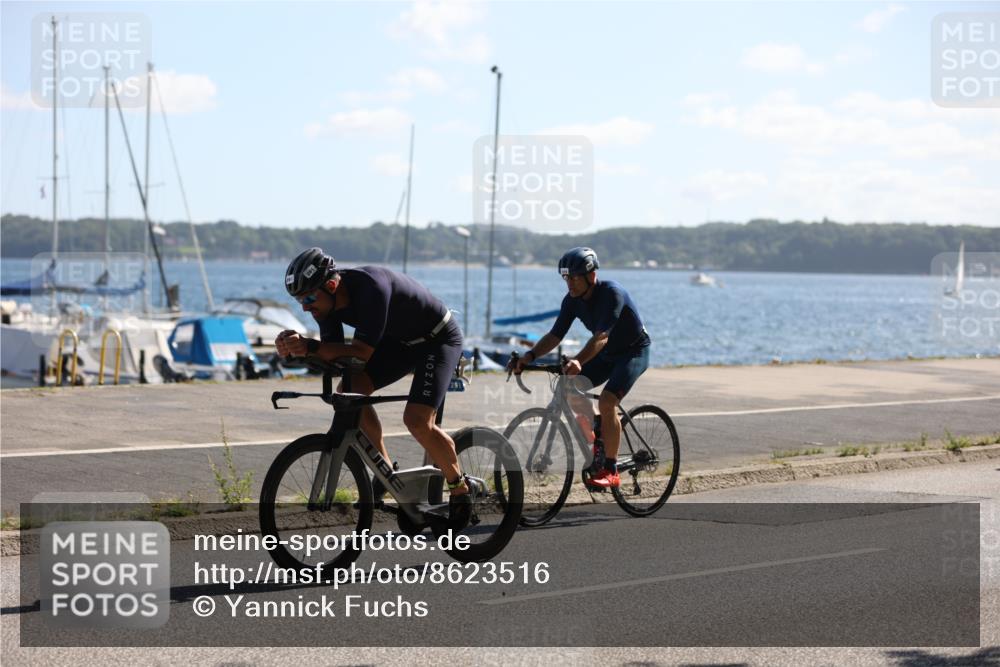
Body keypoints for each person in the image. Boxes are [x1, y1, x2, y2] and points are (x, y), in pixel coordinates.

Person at [275, 248, 474, 526]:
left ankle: (460, 488)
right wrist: (298, 350)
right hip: (399, 342)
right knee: (349, 390)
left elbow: (361, 354)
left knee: (416, 421)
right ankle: (386, 472)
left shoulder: (372, 288)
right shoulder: (325, 305)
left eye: (308, 298)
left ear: (331, 285)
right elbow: (335, 356)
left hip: (436, 340)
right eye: (299, 301)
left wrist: (311, 346)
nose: (305, 307)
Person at [510, 247, 651, 489]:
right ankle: (598, 432)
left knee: (608, 401)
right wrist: (529, 356)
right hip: (607, 354)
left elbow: (601, 337)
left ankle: (611, 469)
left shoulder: (612, 294)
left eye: (575, 277)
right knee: (569, 387)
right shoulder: (572, 301)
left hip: (633, 351)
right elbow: (555, 335)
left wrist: (578, 360)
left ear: (591, 276)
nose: (570, 283)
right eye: (567, 278)